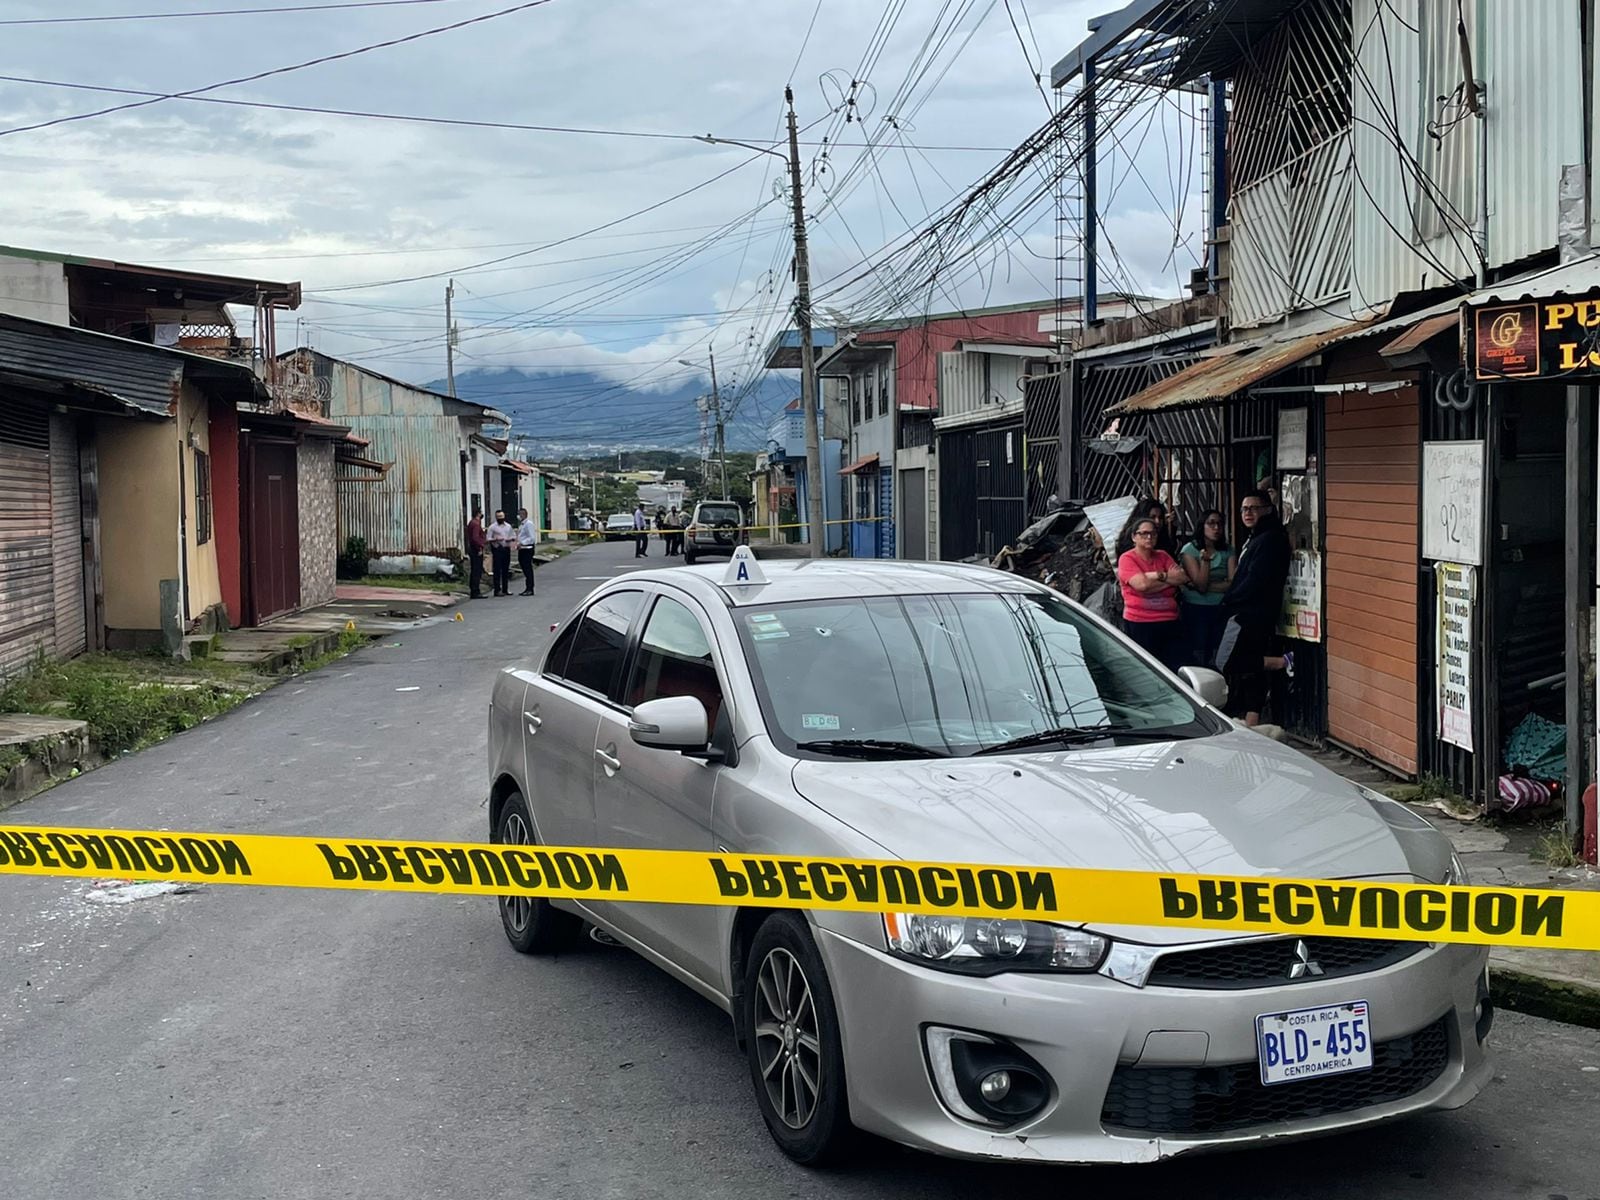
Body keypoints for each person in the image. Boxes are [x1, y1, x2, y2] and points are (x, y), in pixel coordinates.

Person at [1218, 489, 1294, 726]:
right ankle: (1252, 719)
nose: (1247, 513)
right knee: (1253, 671)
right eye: (1244, 508)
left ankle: (1282, 662)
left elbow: (1256, 579)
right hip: (1254, 609)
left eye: (1253, 508)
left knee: (1227, 661)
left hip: (1250, 611)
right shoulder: (1256, 537)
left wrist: (1230, 600)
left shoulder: (1270, 539)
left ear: (1267, 509)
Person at [1116, 515, 1188, 670]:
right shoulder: (1127, 558)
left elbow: (1182, 577)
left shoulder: (1163, 555)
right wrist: (1165, 578)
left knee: (1175, 667)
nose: (1149, 537)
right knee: (1146, 669)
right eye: (1144, 533)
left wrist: (1153, 578)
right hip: (1140, 622)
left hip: (1169, 620)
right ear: (1134, 537)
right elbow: (1142, 585)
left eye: (1153, 533)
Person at [1179, 509, 1235, 667]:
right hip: (1196, 608)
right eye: (1211, 523)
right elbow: (1201, 585)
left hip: (1220, 607)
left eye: (1219, 524)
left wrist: (1197, 585)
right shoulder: (1190, 550)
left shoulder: (1228, 550)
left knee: (1219, 650)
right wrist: (1205, 563)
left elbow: (1232, 584)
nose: (1216, 528)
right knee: (1198, 651)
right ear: (1201, 526)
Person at [486, 509, 515, 597]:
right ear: (496, 517)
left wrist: (510, 539)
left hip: (506, 548)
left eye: (501, 517)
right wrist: (495, 539)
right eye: (498, 517)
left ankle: (505, 589)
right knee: (497, 570)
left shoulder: (508, 526)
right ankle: (497, 590)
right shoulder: (492, 527)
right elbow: (488, 538)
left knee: (506, 569)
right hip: (497, 548)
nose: (500, 519)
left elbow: (513, 535)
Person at [465, 508, 487, 600]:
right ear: (478, 514)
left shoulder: (471, 523)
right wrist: (480, 547)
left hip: (472, 549)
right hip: (476, 550)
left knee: (475, 570)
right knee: (477, 571)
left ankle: (474, 590)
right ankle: (475, 591)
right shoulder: (476, 524)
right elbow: (475, 538)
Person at [515, 507, 537, 596]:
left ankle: (530, 588)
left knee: (528, 569)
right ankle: (527, 587)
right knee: (524, 568)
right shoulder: (522, 525)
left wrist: (522, 543)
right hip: (522, 549)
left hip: (527, 549)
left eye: (520, 514)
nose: (519, 516)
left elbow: (532, 538)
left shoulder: (528, 524)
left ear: (524, 514)